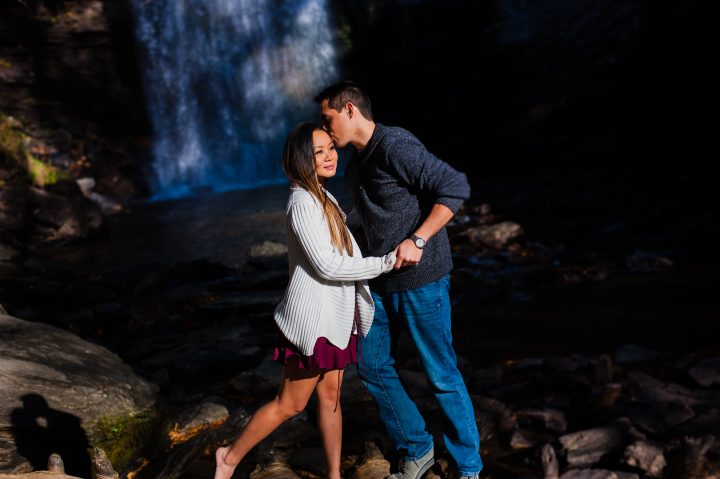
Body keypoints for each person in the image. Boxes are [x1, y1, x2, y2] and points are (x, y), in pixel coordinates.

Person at [315, 82, 482, 479]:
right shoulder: (358, 161)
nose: (325, 128)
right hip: (379, 282)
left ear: (350, 110)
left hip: (421, 280)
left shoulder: (395, 146)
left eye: (328, 118)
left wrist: (418, 239)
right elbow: (371, 216)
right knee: (371, 365)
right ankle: (417, 446)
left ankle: (469, 468)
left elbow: (455, 187)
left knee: (441, 375)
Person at [214, 122, 396, 479]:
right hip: (312, 323)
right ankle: (228, 458)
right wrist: (384, 263)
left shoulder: (322, 196)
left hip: (334, 320)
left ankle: (333, 474)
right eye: (319, 152)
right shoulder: (302, 202)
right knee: (290, 404)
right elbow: (327, 264)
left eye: (331, 147)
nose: (330, 155)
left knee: (330, 399)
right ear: (301, 159)